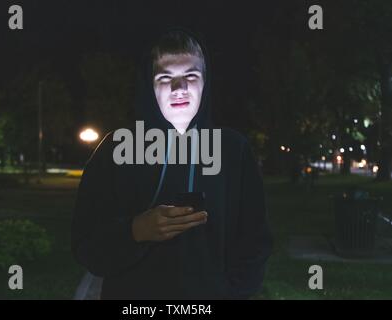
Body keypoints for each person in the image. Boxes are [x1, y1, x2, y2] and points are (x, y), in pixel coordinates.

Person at [71, 28, 273, 300]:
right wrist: (135, 231)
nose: (180, 88)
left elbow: (255, 241)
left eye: (191, 76)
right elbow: (86, 245)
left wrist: (231, 292)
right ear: (149, 86)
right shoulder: (114, 149)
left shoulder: (234, 151)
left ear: (205, 83)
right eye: (166, 78)